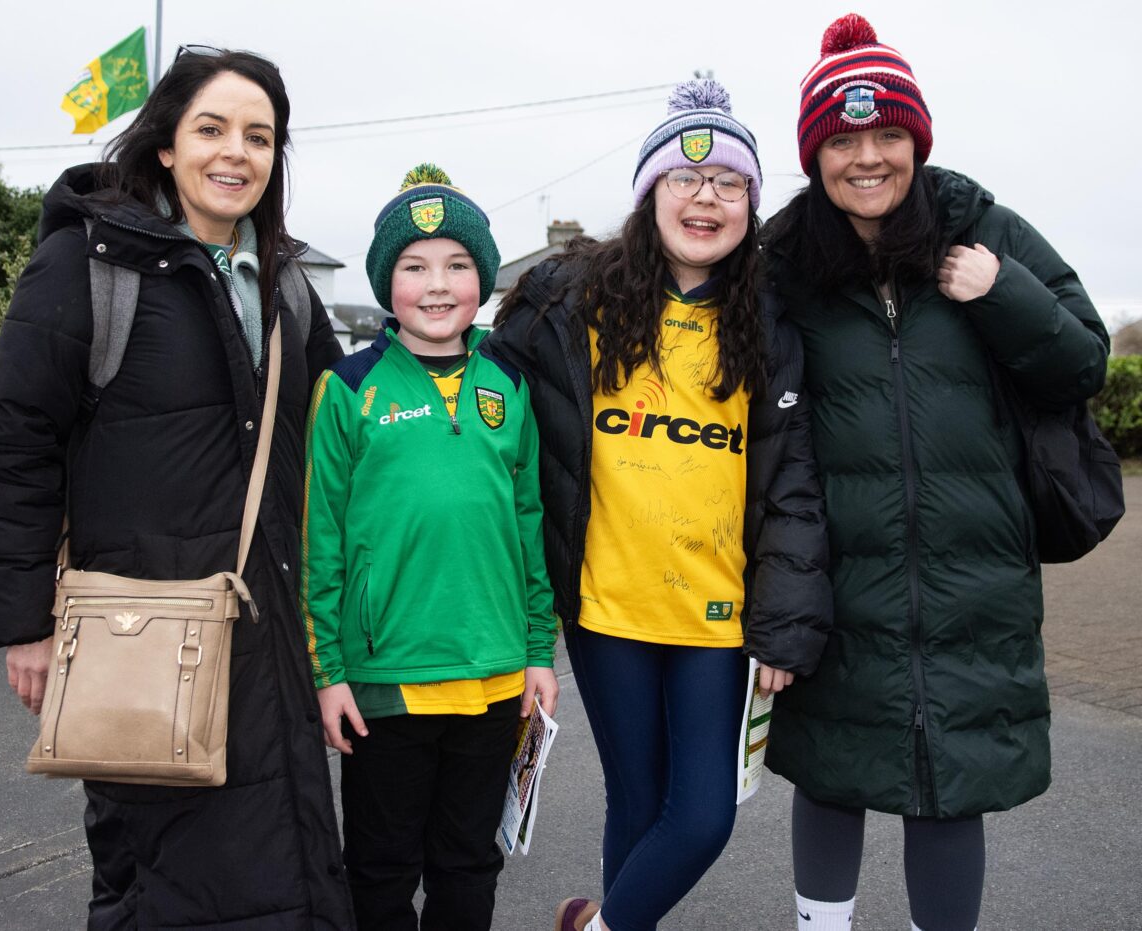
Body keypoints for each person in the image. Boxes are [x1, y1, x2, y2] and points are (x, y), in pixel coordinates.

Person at [0, 48, 355, 929]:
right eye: (212, 129)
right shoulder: (87, 267)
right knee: (163, 881)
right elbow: (13, 441)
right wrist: (23, 620)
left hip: (271, 637)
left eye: (260, 136)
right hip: (144, 646)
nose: (237, 153)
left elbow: (349, 431)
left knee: (286, 864)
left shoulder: (290, 286)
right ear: (167, 147)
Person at [761, 15, 1111, 931]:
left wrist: (1003, 291)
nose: (866, 158)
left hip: (972, 576)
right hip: (836, 574)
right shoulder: (785, 262)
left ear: (916, 139)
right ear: (815, 153)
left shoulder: (985, 227)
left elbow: (1083, 366)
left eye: (886, 136)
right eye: (842, 140)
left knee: (949, 786)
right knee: (833, 768)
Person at [486, 80, 833, 931]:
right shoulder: (570, 302)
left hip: (714, 613)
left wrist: (785, 620)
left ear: (753, 204)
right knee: (638, 802)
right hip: (608, 607)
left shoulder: (770, 322)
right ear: (649, 193)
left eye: (729, 182)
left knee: (704, 813)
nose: (706, 197)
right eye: (686, 177)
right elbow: (483, 402)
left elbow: (792, 482)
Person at [299, 163, 559, 931]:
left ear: (484, 280)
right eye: (414, 268)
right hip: (387, 684)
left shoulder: (508, 383)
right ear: (387, 283)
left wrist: (539, 650)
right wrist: (329, 673)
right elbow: (320, 540)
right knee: (380, 872)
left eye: (457, 266)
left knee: (468, 864)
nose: (437, 285)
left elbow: (529, 520)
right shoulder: (348, 388)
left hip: (493, 676)